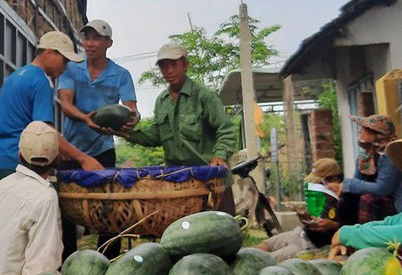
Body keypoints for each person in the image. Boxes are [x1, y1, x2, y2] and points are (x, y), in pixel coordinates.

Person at [117, 42, 236, 214]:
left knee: (223, 232)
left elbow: (225, 129)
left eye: (174, 65)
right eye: (164, 66)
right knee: (184, 234)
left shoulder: (204, 96)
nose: (169, 71)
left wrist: (219, 155)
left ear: (186, 65)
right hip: (180, 182)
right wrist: (127, 134)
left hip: (212, 180)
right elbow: (156, 135)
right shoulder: (162, 101)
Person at [58, 19, 138, 259]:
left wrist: (133, 118)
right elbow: (65, 104)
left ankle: (108, 257)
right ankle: (67, 260)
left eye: (95, 38)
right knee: (67, 210)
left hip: (103, 150)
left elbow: (131, 108)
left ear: (108, 43)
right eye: (86, 38)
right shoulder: (72, 69)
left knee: (108, 206)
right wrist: (86, 119)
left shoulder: (120, 75)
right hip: (71, 150)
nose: (89, 43)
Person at [0, 31, 103, 179]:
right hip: (19, 164)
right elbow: (45, 131)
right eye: (64, 60)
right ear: (49, 52)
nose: (66, 67)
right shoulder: (41, 81)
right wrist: (83, 158)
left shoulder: (14, 77)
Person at [0, 122, 63, 275]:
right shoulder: (46, 197)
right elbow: (41, 270)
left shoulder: (3, 184)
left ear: (19, 156)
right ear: (56, 159)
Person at [254, 158, 343, 262]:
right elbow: (323, 221)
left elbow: (352, 228)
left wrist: (332, 225)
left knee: (266, 260)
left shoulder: (347, 201)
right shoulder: (328, 199)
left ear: (334, 180)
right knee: (262, 246)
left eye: (318, 184)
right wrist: (308, 218)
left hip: (308, 246)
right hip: (299, 233)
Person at [327, 114, 402, 223]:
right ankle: (344, 231)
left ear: (378, 134)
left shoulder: (391, 153)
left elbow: (382, 188)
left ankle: (368, 235)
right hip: (379, 203)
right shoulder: (365, 156)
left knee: (367, 200)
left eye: (365, 129)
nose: (360, 131)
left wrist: (348, 184)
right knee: (347, 197)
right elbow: (357, 183)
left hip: (397, 205)